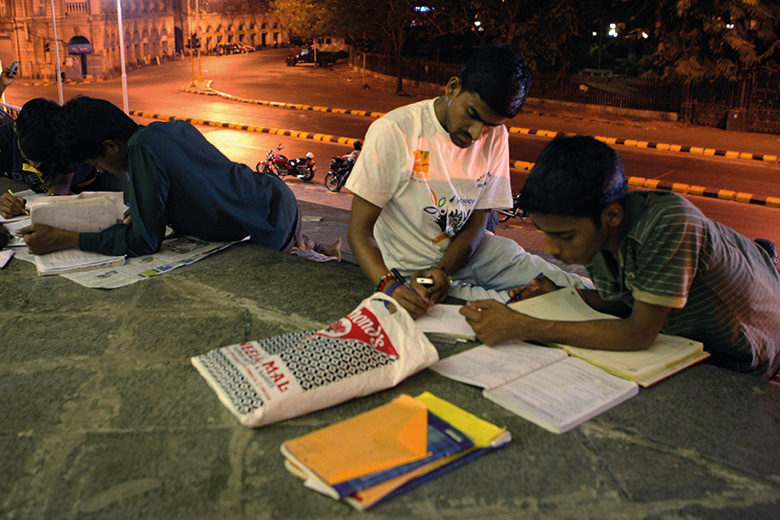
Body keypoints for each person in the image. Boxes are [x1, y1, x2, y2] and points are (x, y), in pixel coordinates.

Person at [461, 136, 780, 379]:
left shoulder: (669, 226)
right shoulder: (603, 234)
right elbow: (632, 297)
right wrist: (567, 295)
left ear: (611, 215)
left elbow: (638, 332)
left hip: (749, 353)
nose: (552, 249)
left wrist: (522, 325)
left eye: (565, 236)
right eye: (546, 233)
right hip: (690, 337)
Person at [345, 45, 588, 318]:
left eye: (489, 126)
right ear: (452, 87)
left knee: (572, 289)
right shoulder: (395, 131)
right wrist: (388, 286)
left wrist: (445, 271)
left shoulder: (496, 137)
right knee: (528, 309)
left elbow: (478, 221)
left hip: (473, 254)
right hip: (414, 270)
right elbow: (359, 231)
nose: (476, 133)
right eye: (472, 114)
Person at [20, 96, 341, 260]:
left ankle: (309, 250)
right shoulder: (164, 129)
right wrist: (150, 209)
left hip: (267, 229)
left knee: (286, 249)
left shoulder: (141, 153)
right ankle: (317, 247)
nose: (100, 169)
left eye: (96, 161)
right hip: (276, 197)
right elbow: (200, 184)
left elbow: (144, 241)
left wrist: (62, 238)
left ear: (110, 146)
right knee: (294, 239)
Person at [0, 97, 126, 218]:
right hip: (40, 192)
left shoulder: (62, 135)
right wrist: (3, 203)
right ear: (15, 128)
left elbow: (63, 181)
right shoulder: (3, 140)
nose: (34, 165)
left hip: (94, 185)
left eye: (43, 160)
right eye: (28, 158)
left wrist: (54, 200)